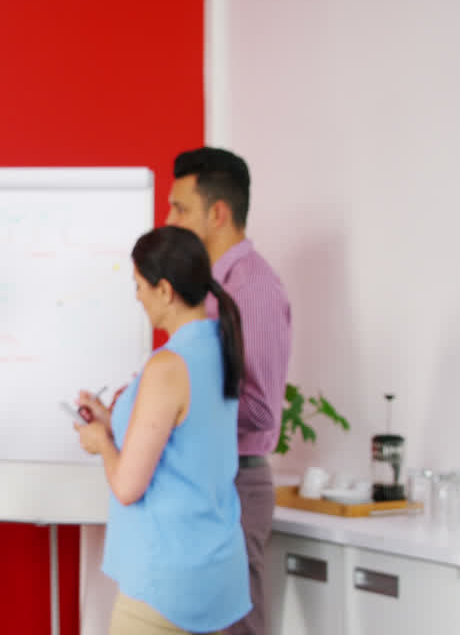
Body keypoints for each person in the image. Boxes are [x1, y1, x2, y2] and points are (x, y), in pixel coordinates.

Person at [74, 226, 251, 634]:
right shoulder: (219, 347)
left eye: (139, 286)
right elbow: (185, 441)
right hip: (216, 574)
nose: (137, 297)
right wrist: (112, 419)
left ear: (165, 290)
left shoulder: (168, 366)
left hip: (165, 585)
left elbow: (128, 486)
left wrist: (102, 442)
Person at [166, 147, 292, 635]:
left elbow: (260, 410)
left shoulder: (253, 288)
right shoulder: (207, 291)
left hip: (234, 485)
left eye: (180, 208)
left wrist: (175, 409)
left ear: (217, 214)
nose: (169, 219)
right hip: (204, 483)